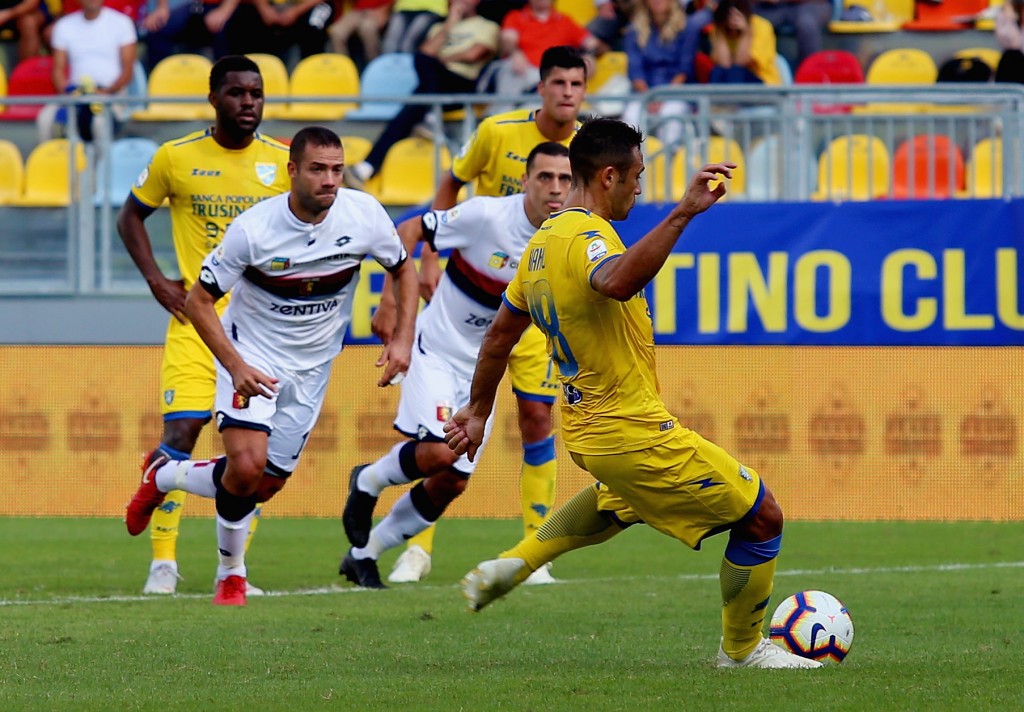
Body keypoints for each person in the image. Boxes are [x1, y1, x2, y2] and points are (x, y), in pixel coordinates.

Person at [444, 117, 821, 669]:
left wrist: (479, 411)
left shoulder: (541, 244)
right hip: (628, 427)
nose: (640, 188)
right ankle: (742, 653)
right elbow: (617, 280)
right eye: (637, 176)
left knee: (617, 504)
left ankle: (517, 563)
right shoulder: (585, 237)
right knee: (762, 516)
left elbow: (500, 335)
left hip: (588, 429)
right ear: (610, 175)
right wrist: (684, 213)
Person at [124, 126, 419, 606]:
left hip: (313, 368)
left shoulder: (363, 215)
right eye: (318, 169)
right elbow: (200, 302)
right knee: (245, 465)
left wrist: (403, 335)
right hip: (253, 357)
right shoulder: (254, 229)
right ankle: (231, 575)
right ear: (293, 171)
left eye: (337, 169)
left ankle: (163, 476)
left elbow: (402, 267)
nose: (329, 180)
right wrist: (236, 365)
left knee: (262, 485)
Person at [382, 45, 586, 585]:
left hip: (538, 312)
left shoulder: (589, 146)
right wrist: (427, 258)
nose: (568, 93)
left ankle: (532, 553)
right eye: (559, 83)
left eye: (577, 84)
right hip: (476, 299)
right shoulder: (498, 133)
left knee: (539, 419)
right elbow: (449, 188)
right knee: (441, 429)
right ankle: (415, 548)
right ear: (540, 87)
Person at [340, 142, 572, 589]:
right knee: (441, 452)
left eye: (565, 179)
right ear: (525, 181)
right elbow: (407, 230)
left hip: (482, 375)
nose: (555, 188)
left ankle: (362, 554)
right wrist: (391, 302)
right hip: (437, 352)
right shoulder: (486, 216)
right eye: (545, 177)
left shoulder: (566, 242)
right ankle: (368, 479)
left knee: (452, 482)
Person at [117, 55, 290, 596]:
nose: (248, 103)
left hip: (261, 330)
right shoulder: (176, 157)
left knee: (252, 458)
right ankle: (163, 563)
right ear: (214, 98)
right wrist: (156, 280)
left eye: (256, 94)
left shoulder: (285, 163)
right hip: (198, 321)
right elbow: (130, 216)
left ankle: (233, 569)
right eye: (237, 93)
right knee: (181, 434)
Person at [343, 0, 500, 189]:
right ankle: (427, 117)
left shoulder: (487, 26)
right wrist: (451, 22)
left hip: (462, 86)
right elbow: (425, 52)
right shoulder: (439, 27)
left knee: (418, 95)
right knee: (418, 91)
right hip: (435, 85)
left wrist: (443, 59)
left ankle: (366, 166)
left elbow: (474, 54)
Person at [485, 0, 598, 113]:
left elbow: (592, 43)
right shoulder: (516, 16)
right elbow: (507, 40)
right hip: (524, 71)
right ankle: (502, 115)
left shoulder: (563, 20)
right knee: (510, 67)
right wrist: (515, 52)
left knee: (562, 79)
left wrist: (588, 55)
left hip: (553, 74)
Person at [49, 0, 137, 142]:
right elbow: (57, 70)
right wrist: (69, 93)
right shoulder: (63, 25)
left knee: (98, 124)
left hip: (111, 95)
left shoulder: (122, 23)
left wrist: (106, 92)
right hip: (75, 94)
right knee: (46, 120)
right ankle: (58, 163)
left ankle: (99, 164)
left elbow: (128, 70)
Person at [622, 0, 695, 146]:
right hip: (643, 93)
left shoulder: (687, 28)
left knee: (670, 116)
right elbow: (635, 70)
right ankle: (635, 167)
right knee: (631, 117)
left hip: (675, 93)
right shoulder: (634, 30)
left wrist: (662, 97)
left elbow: (684, 69)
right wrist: (650, 97)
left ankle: (667, 166)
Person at [142, 0, 242, 71]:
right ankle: (159, 81)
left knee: (226, 32)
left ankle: (227, 82)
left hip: (229, 7)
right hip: (197, 5)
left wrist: (224, 11)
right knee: (158, 29)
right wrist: (162, 8)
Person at [709, 0, 780, 85]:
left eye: (737, 13)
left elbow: (741, 62)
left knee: (736, 71)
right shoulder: (718, 30)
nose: (734, 18)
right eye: (729, 14)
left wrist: (745, 32)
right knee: (718, 72)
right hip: (732, 79)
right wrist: (721, 30)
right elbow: (724, 64)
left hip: (762, 81)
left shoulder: (762, 26)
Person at [752, 0, 829, 67]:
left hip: (810, 5)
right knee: (752, 22)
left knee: (807, 24)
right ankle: (750, 75)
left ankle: (810, 74)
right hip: (772, 7)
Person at [327, 0, 392, 64]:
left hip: (374, 12)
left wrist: (383, 11)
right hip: (357, 11)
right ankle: (344, 67)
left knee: (367, 30)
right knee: (336, 32)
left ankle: (374, 68)